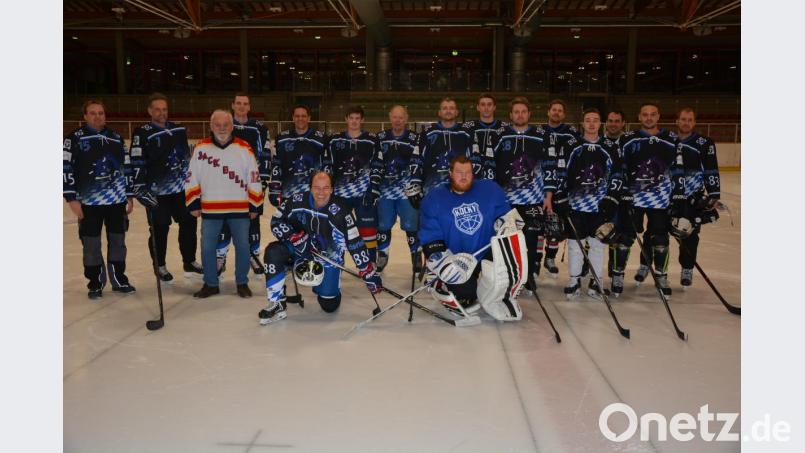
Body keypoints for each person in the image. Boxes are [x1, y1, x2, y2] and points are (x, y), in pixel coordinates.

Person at [259, 171, 382, 325]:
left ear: (332, 189)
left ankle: (330, 287)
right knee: (273, 251)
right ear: (310, 188)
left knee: (329, 306)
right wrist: (293, 236)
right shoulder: (296, 201)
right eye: (317, 188)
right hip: (299, 249)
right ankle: (277, 302)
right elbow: (276, 221)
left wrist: (367, 270)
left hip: (327, 257)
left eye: (325, 188)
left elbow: (354, 241)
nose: (321, 193)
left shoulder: (341, 211)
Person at [419, 155, 527, 321]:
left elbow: (506, 215)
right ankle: (438, 279)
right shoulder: (434, 198)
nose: (464, 176)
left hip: (485, 253)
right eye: (459, 172)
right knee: (466, 295)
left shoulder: (490, 189)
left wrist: (507, 224)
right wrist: (445, 264)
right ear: (450, 173)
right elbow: (430, 238)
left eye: (468, 172)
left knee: (504, 274)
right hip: (456, 260)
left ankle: (499, 296)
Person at [185, 110, 263, 298]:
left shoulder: (244, 148)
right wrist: (193, 202)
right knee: (207, 247)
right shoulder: (201, 148)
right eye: (217, 125)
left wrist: (255, 205)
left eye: (226, 125)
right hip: (210, 208)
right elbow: (191, 176)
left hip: (239, 208)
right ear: (211, 126)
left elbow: (254, 177)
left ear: (232, 126)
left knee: (243, 246)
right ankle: (211, 283)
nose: (222, 128)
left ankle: (242, 282)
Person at [63, 100, 136, 299]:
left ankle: (119, 278)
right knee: (91, 245)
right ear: (85, 116)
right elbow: (65, 168)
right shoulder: (74, 139)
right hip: (88, 203)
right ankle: (95, 282)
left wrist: (129, 195)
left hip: (116, 202)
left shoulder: (116, 139)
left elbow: (127, 168)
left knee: (118, 242)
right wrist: (71, 198)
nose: (98, 117)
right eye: (93, 113)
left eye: (101, 113)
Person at [613, 102, 686, 297]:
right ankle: (618, 275)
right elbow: (621, 167)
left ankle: (661, 276)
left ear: (658, 116)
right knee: (625, 238)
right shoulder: (627, 139)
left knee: (660, 239)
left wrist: (678, 191)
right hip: (633, 198)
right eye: (645, 114)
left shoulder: (671, 139)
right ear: (639, 117)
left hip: (660, 199)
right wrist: (624, 190)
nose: (649, 118)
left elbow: (678, 167)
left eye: (652, 114)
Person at [485, 97, 557, 292]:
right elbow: (489, 165)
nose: (520, 115)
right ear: (510, 115)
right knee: (504, 238)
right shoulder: (499, 135)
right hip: (505, 200)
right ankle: (506, 274)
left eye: (523, 111)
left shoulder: (542, 135)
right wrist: (491, 195)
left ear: (529, 114)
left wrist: (548, 196)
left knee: (531, 239)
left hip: (533, 200)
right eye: (516, 112)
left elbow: (551, 167)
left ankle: (529, 275)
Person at [130, 92, 202, 282]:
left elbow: (186, 159)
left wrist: (192, 185)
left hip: (180, 191)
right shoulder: (142, 133)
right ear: (149, 111)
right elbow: (137, 161)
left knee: (188, 223)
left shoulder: (178, 130)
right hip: (157, 193)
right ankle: (160, 265)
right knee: (160, 228)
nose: (162, 113)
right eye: (157, 109)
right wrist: (140, 189)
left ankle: (189, 260)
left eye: (164, 109)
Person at [554, 108, 624, 298]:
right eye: (588, 120)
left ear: (600, 123)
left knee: (598, 244)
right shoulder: (571, 145)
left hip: (599, 206)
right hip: (575, 205)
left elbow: (617, 175)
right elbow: (560, 171)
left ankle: (596, 282)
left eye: (595, 120)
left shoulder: (610, 146)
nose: (591, 123)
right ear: (582, 123)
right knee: (575, 244)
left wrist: (611, 198)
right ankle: (574, 280)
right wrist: (560, 196)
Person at [215, 93, 272, 277]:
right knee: (224, 220)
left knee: (252, 220)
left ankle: (253, 256)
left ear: (249, 106)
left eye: (245, 104)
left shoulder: (259, 128)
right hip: (226, 185)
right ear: (232, 105)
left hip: (251, 185)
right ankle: (220, 258)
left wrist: (262, 184)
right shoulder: (224, 126)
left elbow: (265, 156)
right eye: (238, 103)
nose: (241, 106)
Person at [322, 105, 382, 263]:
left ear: (362, 120)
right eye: (351, 118)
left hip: (364, 194)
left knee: (367, 229)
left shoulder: (371, 140)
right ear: (346, 119)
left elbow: (377, 164)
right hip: (341, 195)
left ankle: (370, 263)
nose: (354, 121)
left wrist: (373, 187)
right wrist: (329, 189)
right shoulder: (334, 140)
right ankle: (336, 260)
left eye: (357, 118)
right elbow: (327, 164)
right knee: (339, 229)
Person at [675, 107, 721, 287]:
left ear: (694, 123)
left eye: (689, 120)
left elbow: (711, 169)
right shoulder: (668, 141)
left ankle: (687, 268)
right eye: (683, 119)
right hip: (669, 196)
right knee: (658, 233)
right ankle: (656, 269)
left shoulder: (704, 143)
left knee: (689, 236)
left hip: (691, 197)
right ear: (676, 121)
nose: (686, 122)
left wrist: (714, 194)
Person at [406, 97, 478, 209]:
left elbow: (475, 160)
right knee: (432, 224)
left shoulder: (467, 133)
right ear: (439, 112)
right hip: (432, 189)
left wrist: (475, 183)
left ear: (456, 112)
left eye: (451, 108)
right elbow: (416, 159)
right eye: (445, 108)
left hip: (461, 190)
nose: (448, 111)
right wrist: (416, 182)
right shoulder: (427, 133)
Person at [374, 105, 421, 274]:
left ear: (406, 118)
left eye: (401, 117)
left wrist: (417, 185)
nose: (398, 120)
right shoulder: (380, 137)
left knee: (411, 226)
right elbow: (376, 163)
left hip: (407, 191)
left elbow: (419, 162)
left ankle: (415, 255)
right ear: (390, 117)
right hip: (385, 191)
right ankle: (383, 255)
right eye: (395, 117)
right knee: (384, 224)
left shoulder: (415, 138)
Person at [540, 99, 580, 277]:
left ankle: (550, 258)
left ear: (563, 114)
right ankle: (535, 259)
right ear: (548, 112)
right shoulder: (539, 131)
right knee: (539, 225)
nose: (556, 113)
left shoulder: (571, 133)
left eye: (560, 110)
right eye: (553, 110)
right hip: (541, 184)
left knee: (557, 226)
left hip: (563, 185)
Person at [267, 104, 327, 207]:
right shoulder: (281, 139)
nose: (300, 119)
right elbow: (277, 165)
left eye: (303, 116)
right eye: (297, 116)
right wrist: (275, 188)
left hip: (312, 194)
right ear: (293, 118)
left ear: (309, 118)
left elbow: (326, 166)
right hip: (288, 193)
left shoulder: (321, 139)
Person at [604, 109, 627, 278]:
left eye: (617, 120)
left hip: (623, 196)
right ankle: (586, 267)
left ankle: (615, 266)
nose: (613, 124)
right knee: (595, 231)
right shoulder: (599, 142)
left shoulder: (629, 142)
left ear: (623, 123)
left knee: (618, 233)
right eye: (610, 120)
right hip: (600, 196)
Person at [464, 93, 506, 180]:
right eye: (483, 105)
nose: (486, 108)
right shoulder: (467, 128)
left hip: (498, 178)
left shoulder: (505, 128)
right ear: (478, 107)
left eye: (489, 104)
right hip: (473, 177)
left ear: (494, 107)